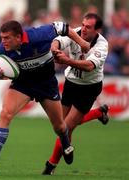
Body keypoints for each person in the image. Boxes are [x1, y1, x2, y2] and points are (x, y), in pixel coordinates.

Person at [0, 20, 90, 174]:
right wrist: (0, 75)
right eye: (1, 37)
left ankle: (66, 144)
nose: (3, 41)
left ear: (19, 37)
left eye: (7, 38)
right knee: (5, 113)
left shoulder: (38, 35)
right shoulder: (3, 50)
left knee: (59, 126)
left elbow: (64, 27)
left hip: (46, 84)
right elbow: (5, 72)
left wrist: (83, 43)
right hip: (23, 84)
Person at [42, 13, 109, 175]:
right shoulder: (76, 33)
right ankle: (98, 113)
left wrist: (66, 61)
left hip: (89, 88)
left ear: (98, 30)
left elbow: (88, 66)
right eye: (83, 25)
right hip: (71, 84)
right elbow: (58, 40)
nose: (84, 29)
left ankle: (50, 166)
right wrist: (55, 48)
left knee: (66, 127)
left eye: (89, 27)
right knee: (61, 126)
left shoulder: (102, 44)